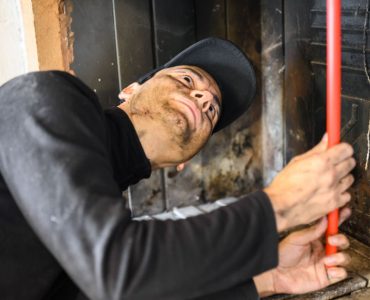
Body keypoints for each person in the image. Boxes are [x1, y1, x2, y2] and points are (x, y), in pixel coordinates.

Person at [0, 38, 355, 300]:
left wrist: (268, 278)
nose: (204, 97)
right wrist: (278, 206)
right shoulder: (48, 98)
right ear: (130, 89)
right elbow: (118, 270)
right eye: (188, 80)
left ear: (185, 160)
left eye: (213, 110)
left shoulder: (98, 211)